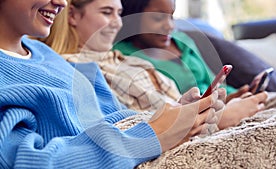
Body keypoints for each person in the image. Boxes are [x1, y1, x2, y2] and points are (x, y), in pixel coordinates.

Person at [0, 0, 232, 168]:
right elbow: (30, 161)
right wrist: (153, 133)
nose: (61, 2)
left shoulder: (46, 55)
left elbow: (117, 117)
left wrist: (173, 118)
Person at [114, 0, 252, 102]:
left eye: (171, 16)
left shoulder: (182, 40)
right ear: (132, 16)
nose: (169, 26)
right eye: (158, 17)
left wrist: (239, 94)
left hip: (225, 103)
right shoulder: (121, 56)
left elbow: (214, 81)